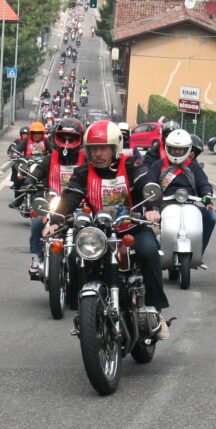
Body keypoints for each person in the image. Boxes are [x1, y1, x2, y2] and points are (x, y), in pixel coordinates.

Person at [43, 121, 170, 340]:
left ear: (115, 148)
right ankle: (83, 314)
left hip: (132, 227)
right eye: (93, 149)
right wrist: (55, 221)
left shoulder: (131, 164)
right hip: (99, 232)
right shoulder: (83, 172)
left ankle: (155, 310)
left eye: (103, 148)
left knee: (149, 251)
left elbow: (147, 183)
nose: (98, 154)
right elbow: (70, 196)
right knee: (75, 256)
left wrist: (152, 208)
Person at [23, 118, 87, 276]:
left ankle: (87, 259)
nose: (67, 142)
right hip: (53, 204)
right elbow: (37, 172)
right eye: (63, 138)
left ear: (79, 139)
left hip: (79, 206)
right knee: (37, 221)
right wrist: (30, 182)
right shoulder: (50, 158)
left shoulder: (86, 159)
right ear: (56, 138)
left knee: (88, 228)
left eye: (71, 139)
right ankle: (38, 256)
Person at [152, 130, 216, 257]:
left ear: (187, 149)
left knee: (212, 216)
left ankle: (199, 252)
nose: (177, 152)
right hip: (164, 205)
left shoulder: (194, 168)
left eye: (180, 149)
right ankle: (155, 254)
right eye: (173, 149)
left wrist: (207, 198)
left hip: (189, 205)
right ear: (167, 148)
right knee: (147, 222)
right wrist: (153, 206)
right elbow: (151, 184)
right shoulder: (158, 165)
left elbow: (204, 184)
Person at [9, 122, 51, 209]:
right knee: (19, 177)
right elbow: (17, 149)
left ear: (42, 134)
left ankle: (49, 199)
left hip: (41, 165)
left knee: (49, 179)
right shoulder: (27, 141)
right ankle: (18, 201)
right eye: (34, 133)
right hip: (28, 163)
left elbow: (53, 151)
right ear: (31, 133)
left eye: (39, 133)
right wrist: (15, 154)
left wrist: (52, 156)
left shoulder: (46, 141)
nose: (37, 135)